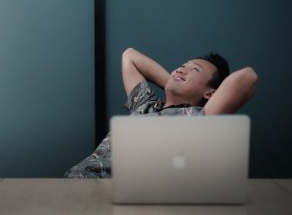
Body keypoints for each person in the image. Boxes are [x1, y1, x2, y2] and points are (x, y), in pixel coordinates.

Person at [65, 48, 258, 178]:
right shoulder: (145, 105)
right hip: (74, 181)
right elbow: (130, 56)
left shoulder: (201, 119)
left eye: (194, 70)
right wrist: (174, 82)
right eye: (182, 66)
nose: (182, 70)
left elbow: (248, 77)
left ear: (210, 92)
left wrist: (181, 88)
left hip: (113, 195)